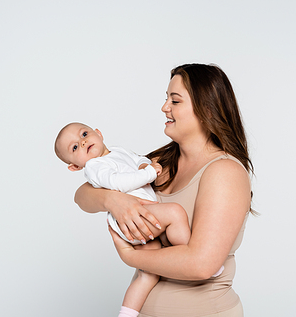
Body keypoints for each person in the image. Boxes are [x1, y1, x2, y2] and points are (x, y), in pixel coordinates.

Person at [74, 63, 254, 317]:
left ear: (207, 110)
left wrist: (130, 257)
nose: (164, 107)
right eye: (166, 98)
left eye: (175, 100)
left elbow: (201, 265)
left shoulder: (224, 172)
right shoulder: (161, 162)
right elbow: (82, 196)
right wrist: (111, 200)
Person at [54, 122, 223, 317]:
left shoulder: (116, 152)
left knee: (148, 274)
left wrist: (144, 164)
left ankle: (126, 313)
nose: (82, 142)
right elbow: (118, 183)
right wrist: (148, 173)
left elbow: (138, 159)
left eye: (84, 134)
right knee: (175, 213)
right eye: (75, 147)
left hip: (140, 218)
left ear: (98, 133)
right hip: (132, 220)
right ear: (75, 166)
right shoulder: (94, 166)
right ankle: (189, 250)